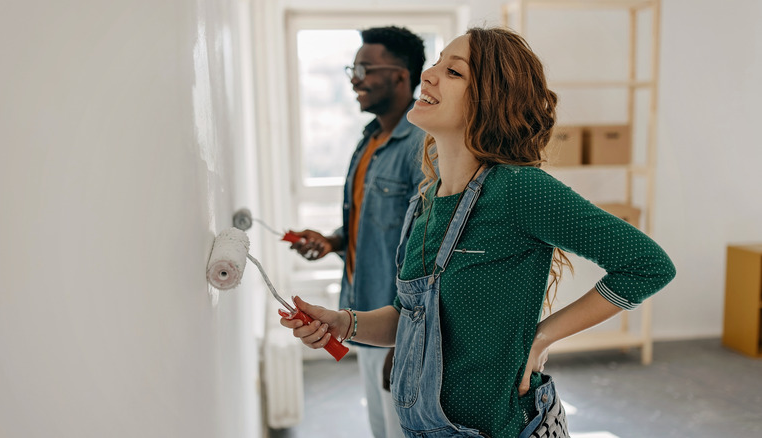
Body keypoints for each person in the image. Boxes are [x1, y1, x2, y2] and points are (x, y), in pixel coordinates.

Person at [282, 27, 677, 438]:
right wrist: (343, 323)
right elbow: (409, 315)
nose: (429, 75)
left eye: (453, 73)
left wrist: (541, 338)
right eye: (435, 65)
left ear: (490, 100)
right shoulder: (425, 201)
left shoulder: (517, 189)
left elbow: (648, 265)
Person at [287, 26, 426, 438]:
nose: (354, 78)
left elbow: (427, 249)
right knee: (381, 429)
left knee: (402, 430)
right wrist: (332, 241)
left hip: (395, 324)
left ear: (401, 75)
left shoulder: (422, 145)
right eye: (354, 67)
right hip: (360, 311)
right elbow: (373, 221)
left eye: (365, 68)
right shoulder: (371, 138)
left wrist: (404, 341)